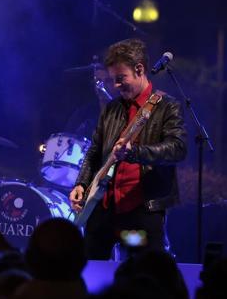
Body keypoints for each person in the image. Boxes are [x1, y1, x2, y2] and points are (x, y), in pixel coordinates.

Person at [70, 38, 187, 260]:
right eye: (113, 80)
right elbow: (95, 150)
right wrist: (81, 183)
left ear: (139, 69)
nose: (115, 85)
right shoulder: (111, 109)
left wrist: (135, 153)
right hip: (104, 210)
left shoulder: (167, 106)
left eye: (120, 78)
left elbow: (178, 149)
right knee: (91, 267)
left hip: (141, 214)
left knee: (144, 274)